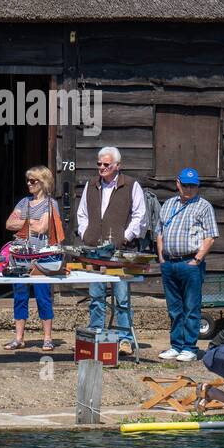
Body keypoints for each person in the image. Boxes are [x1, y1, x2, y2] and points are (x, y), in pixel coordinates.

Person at [75, 145, 145, 351]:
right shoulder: (92, 184)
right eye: (99, 164)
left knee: (122, 298)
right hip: (94, 250)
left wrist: (125, 236)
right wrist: (85, 233)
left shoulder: (131, 185)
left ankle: (125, 340)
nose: (101, 168)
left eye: (106, 164)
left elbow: (139, 215)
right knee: (96, 296)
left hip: (118, 251)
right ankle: (96, 334)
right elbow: (82, 213)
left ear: (117, 166)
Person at [155, 167, 218, 362]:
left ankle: (190, 347)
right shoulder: (168, 204)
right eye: (185, 185)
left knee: (191, 306)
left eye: (193, 185)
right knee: (174, 308)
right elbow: (159, 232)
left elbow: (210, 236)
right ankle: (176, 345)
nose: (189, 189)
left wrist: (197, 259)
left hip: (190, 262)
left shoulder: (204, 206)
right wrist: (161, 258)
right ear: (178, 183)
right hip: (169, 262)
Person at [3, 165, 64, 352]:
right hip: (21, 256)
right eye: (28, 180)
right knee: (19, 296)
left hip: (42, 257)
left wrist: (23, 223)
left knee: (43, 296)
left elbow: (43, 228)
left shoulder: (50, 204)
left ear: (43, 182)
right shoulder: (23, 202)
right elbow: (9, 224)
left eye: (33, 181)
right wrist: (30, 222)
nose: (29, 184)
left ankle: (47, 338)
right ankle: (19, 337)